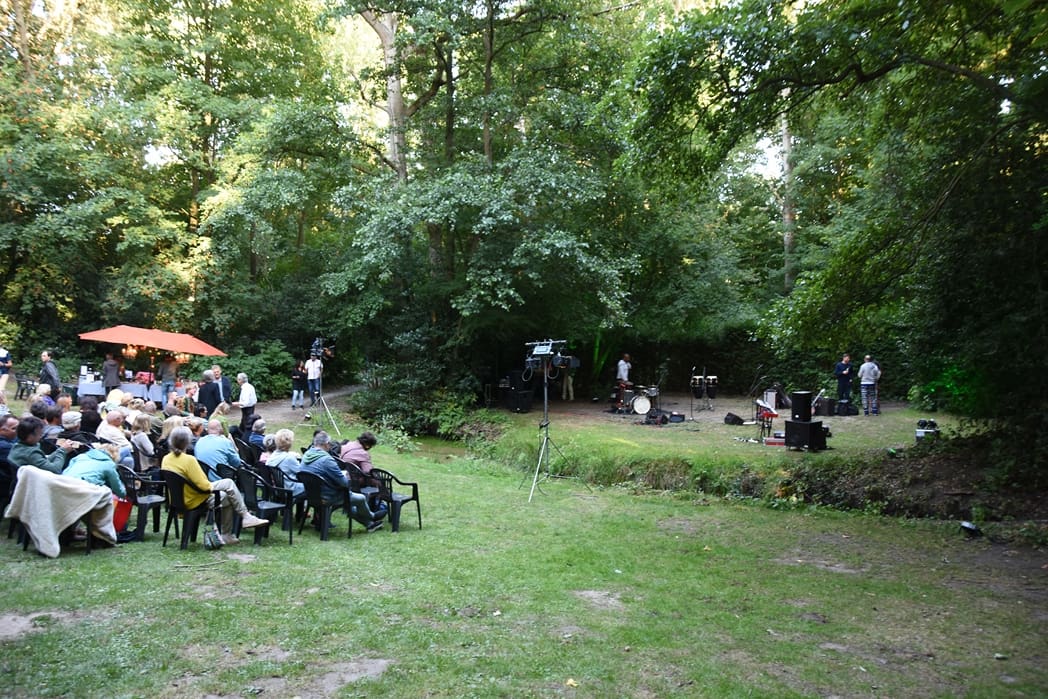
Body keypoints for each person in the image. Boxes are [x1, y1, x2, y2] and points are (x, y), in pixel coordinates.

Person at [161, 426, 269, 545]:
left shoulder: (166, 459)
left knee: (227, 496)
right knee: (228, 483)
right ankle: (243, 518)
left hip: (177, 500)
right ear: (188, 441)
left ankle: (231, 532)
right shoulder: (189, 460)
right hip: (194, 499)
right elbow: (205, 486)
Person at [301, 431, 385, 532]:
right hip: (327, 496)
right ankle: (372, 516)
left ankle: (370, 525)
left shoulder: (307, 455)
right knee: (360, 498)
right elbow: (344, 483)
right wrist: (344, 476)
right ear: (326, 444)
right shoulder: (327, 460)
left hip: (310, 494)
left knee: (349, 504)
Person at [7, 416, 77, 474]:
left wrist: (60, 450)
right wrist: (63, 451)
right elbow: (55, 470)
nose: (41, 437)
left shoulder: (17, 446)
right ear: (30, 437)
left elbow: (44, 461)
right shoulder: (31, 453)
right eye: (39, 434)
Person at [267, 428, 304, 501]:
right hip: (290, 489)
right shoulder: (289, 458)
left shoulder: (272, 456)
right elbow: (301, 472)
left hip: (278, 488)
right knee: (312, 487)